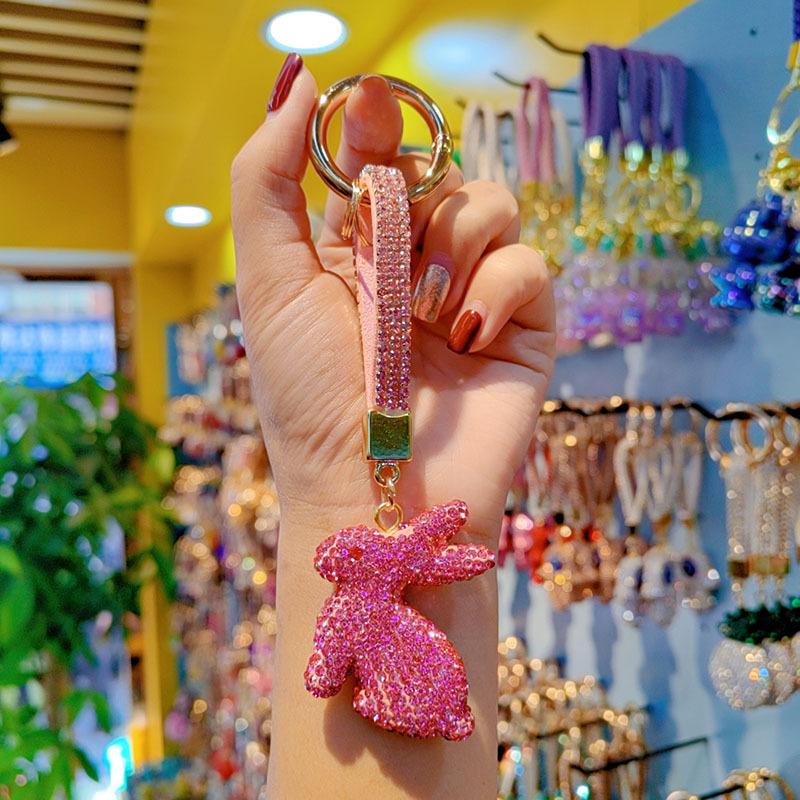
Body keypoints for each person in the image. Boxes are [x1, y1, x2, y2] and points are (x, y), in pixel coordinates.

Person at [231, 54, 555, 799]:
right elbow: (326, 667)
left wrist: (432, 519)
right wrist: (334, 496)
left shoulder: (363, 596)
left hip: (418, 680)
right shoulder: (359, 598)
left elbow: (331, 664)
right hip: (403, 678)